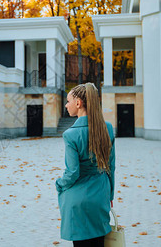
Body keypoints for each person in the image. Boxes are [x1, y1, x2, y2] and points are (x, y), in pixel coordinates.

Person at [56, 83, 115, 247]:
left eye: (68, 101)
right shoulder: (108, 129)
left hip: (79, 200)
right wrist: (110, 195)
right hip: (100, 195)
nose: (66, 105)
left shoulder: (70, 135)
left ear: (78, 103)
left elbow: (72, 173)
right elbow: (111, 166)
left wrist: (59, 184)